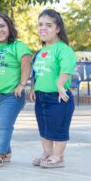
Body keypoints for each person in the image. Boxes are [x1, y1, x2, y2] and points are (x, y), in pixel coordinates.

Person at [0, 13, 32, 168]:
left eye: (2, 26)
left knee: (4, 126)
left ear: (9, 27)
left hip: (11, 95)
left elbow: (27, 63)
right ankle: (5, 152)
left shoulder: (18, 46)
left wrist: (22, 85)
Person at [30, 9, 77, 168]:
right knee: (44, 127)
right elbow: (37, 73)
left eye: (48, 25)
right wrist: (33, 89)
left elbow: (67, 67)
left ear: (57, 28)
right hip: (41, 97)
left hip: (58, 97)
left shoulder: (63, 49)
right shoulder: (41, 51)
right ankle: (47, 153)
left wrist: (59, 84)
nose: (43, 28)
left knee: (58, 127)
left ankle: (58, 156)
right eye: (40, 25)